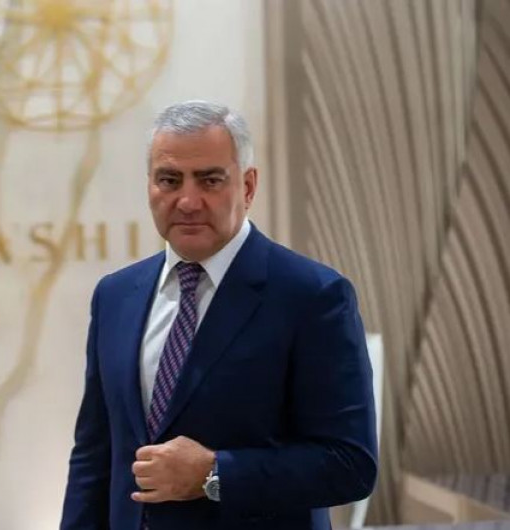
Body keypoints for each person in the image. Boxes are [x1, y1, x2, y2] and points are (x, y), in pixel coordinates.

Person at [60, 101, 377, 530]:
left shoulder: (312, 296)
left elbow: (350, 464)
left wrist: (214, 474)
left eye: (209, 180)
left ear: (247, 186)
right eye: (169, 180)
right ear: (150, 185)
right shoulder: (115, 296)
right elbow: (94, 457)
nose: (188, 201)